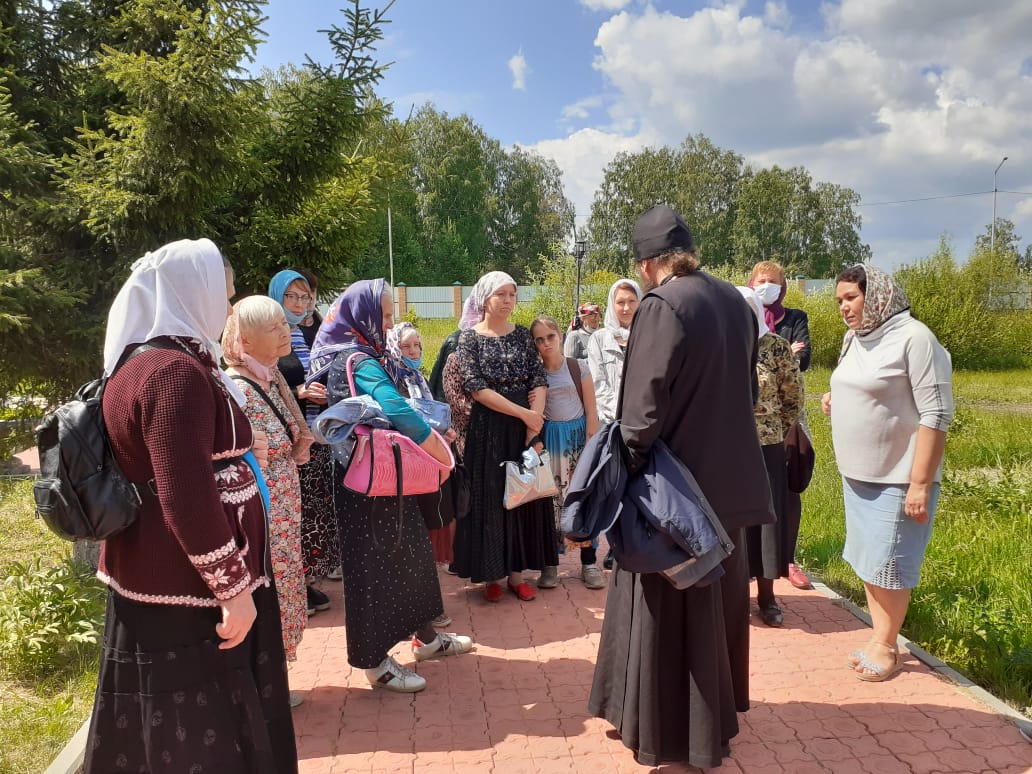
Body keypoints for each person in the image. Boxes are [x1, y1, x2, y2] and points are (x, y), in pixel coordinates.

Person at [88, 238, 296, 773]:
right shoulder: (172, 373)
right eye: (224, 294)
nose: (227, 308)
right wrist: (233, 591)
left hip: (166, 582)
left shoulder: (146, 362)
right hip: (188, 597)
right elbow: (185, 495)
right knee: (199, 737)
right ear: (191, 292)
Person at [589, 205, 773, 768]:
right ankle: (716, 718)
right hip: (731, 484)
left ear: (646, 264)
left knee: (667, 604)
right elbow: (749, 393)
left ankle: (672, 733)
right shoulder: (736, 303)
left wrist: (623, 473)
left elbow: (641, 413)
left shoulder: (662, 304)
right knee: (720, 602)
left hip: (676, 494)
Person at [307, 279, 473, 693]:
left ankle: (427, 639)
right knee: (372, 570)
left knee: (412, 555)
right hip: (367, 484)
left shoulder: (363, 354)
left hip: (382, 477)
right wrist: (434, 446)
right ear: (360, 316)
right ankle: (374, 662)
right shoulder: (358, 359)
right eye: (382, 316)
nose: (387, 324)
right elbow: (395, 407)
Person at [822, 264, 953, 681]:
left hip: (898, 477)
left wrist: (920, 483)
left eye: (852, 298)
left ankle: (885, 644)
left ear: (877, 296)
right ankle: (882, 637)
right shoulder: (854, 338)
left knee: (891, 565)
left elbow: (936, 413)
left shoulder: (915, 338)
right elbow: (864, 385)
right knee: (869, 562)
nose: (844, 307)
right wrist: (835, 396)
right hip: (858, 474)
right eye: (840, 300)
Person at [223, 296, 314, 705]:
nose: (285, 331)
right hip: (261, 512)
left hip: (281, 509)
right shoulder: (239, 388)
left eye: (284, 324)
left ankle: (275, 674)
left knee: (284, 582)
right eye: (274, 326)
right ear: (245, 339)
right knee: (269, 587)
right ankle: (264, 682)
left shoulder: (270, 378)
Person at [452, 271, 559, 602]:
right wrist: (524, 414)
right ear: (485, 299)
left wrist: (533, 425)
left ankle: (517, 574)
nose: (509, 300)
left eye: (512, 294)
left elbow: (538, 379)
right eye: (502, 294)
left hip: (523, 429)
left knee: (524, 497)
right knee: (492, 499)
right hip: (489, 428)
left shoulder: (523, 335)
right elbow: (476, 388)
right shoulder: (469, 339)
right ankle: (491, 575)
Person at [269, 270, 338, 613]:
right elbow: (265, 387)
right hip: (287, 442)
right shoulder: (269, 334)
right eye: (291, 297)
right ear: (276, 297)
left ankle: (307, 581)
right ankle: (292, 588)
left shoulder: (314, 332)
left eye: (304, 297)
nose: (299, 304)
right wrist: (300, 392)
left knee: (313, 513)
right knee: (293, 516)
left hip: (318, 437)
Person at [736, 287, 804, 627]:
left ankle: (766, 596)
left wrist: (773, 427)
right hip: (727, 449)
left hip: (767, 446)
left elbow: (793, 397)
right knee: (732, 521)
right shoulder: (721, 344)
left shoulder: (775, 346)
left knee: (765, 522)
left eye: (747, 309)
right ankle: (733, 594)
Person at [386, 321, 454, 626]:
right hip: (405, 471)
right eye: (406, 346)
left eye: (417, 345)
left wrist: (443, 434)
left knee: (424, 537)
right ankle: (417, 611)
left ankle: (425, 606)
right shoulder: (390, 381)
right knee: (411, 540)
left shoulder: (418, 378)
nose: (414, 352)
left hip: (425, 467)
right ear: (393, 348)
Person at [749, 260, 813, 589]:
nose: (766, 287)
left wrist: (776, 426)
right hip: (739, 443)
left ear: (783, 286)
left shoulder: (791, 322)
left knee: (784, 496)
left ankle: (784, 564)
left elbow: (800, 366)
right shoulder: (729, 340)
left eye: (772, 282)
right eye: (760, 281)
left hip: (778, 434)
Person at [530, 315, 603, 590]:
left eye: (550, 336)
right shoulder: (536, 375)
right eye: (539, 339)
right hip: (551, 442)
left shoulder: (577, 367)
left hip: (577, 440)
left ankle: (589, 562)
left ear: (560, 336)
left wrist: (590, 448)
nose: (546, 343)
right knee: (550, 503)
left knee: (582, 500)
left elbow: (592, 412)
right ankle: (550, 563)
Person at [586, 278, 643, 570]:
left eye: (632, 301)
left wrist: (639, 418)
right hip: (612, 426)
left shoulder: (647, 335)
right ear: (612, 304)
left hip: (643, 425)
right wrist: (621, 418)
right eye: (620, 302)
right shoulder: (599, 339)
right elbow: (598, 385)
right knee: (613, 487)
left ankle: (637, 542)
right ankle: (614, 546)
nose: (626, 308)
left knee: (639, 487)